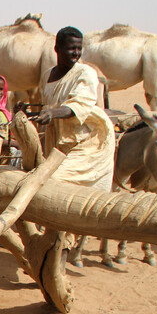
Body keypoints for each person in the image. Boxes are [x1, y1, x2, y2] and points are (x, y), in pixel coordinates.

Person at [32, 26, 115, 191]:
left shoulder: (86, 73)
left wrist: (52, 113)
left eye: (79, 48)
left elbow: (77, 106)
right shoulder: (47, 75)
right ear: (57, 49)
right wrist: (29, 112)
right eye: (71, 48)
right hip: (58, 141)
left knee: (53, 181)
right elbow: (48, 105)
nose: (76, 53)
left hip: (87, 140)